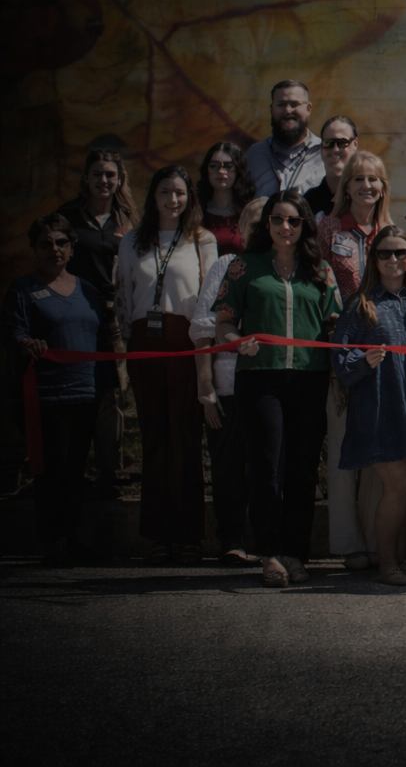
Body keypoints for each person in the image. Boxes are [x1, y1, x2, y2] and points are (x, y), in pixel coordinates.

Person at [214, 190, 342, 588]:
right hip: (261, 378)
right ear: (265, 224)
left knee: (303, 471)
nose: (285, 227)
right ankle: (269, 553)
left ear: (304, 225)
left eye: (293, 220)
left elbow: (334, 324)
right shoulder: (243, 266)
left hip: (309, 378)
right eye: (277, 220)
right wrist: (239, 340)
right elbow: (224, 323)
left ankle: (296, 554)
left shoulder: (320, 270)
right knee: (267, 468)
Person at [116, 165, 220, 564]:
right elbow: (124, 297)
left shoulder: (201, 240)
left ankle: (190, 536)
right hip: (145, 343)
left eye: (179, 192)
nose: (172, 200)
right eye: (164, 192)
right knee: (155, 438)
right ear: (152, 196)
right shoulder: (132, 242)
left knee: (186, 439)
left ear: (189, 196)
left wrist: (203, 355)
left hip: (186, 340)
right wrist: (130, 348)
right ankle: (160, 535)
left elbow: (208, 300)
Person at [4, 214, 113, 564]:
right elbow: (14, 334)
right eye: (45, 243)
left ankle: (70, 538)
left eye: (61, 242)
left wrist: (108, 387)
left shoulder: (88, 290)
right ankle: (53, 541)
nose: (54, 249)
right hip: (46, 396)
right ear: (35, 248)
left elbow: (102, 341)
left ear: (72, 245)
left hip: (86, 393)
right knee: (52, 468)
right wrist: (26, 344)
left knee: (76, 468)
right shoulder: (22, 290)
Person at [331, 228, 406, 587]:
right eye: (385, 253)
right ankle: (386, 563)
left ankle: (401, 559)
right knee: (397, 486)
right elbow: (339, 362)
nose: (394, 260)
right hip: (379, 411)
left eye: (402, 252)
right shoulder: (359, 305)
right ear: (373, 259)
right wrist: (365, 361)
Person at [316, 150, 393, 570]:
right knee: (345, 446)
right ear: (346, 186)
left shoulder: (391, 231)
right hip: (341, 351)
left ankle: (376, 535)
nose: (367, 186)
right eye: (358, 179)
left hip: (383, 353)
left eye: (374, 180)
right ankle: (349, 544)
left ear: (383, 187)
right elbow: (319, 285)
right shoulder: (327, 228)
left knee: (378, 452)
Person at [189, 197, 268, 568]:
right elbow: (204, 329)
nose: (261, 229)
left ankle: (268, 541)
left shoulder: (284, 267)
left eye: (267, 222)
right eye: (253, 223)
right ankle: (231, 539)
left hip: (272, 386)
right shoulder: (225, 265)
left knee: (266, 466)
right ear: (240, 230)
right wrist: (205, 388)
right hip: (227, 385)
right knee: (228, 466)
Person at [55, 149, 137, 495]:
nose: (104, 180)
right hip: (76, 315)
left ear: (119, 181)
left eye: (111, 175)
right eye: (98, 174)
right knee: (77, 390)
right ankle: (73, 465)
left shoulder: (128, 220)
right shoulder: (67, 217)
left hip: (114, 317)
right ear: (86, 178)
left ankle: (109, 467)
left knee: (113, 391)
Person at [247, 80, 325, 198]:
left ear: (308, 108)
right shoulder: (255, 154)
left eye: (294, 104)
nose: (288, 110)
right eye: (281, 104)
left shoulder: (324, 153)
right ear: (271, 109)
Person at [196, 142, 256, 256]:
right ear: (206, 170)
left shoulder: (251, 211)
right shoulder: (195, 209)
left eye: (228, 166)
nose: (221, 172)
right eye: (214, 166)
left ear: (239, 170)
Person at [303, 115, 360, 219]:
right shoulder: (308, 203)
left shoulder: (366, 197)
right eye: (328, 143)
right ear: (321, 148)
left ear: (355, 145)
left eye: (342, 143)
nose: (335, 149)